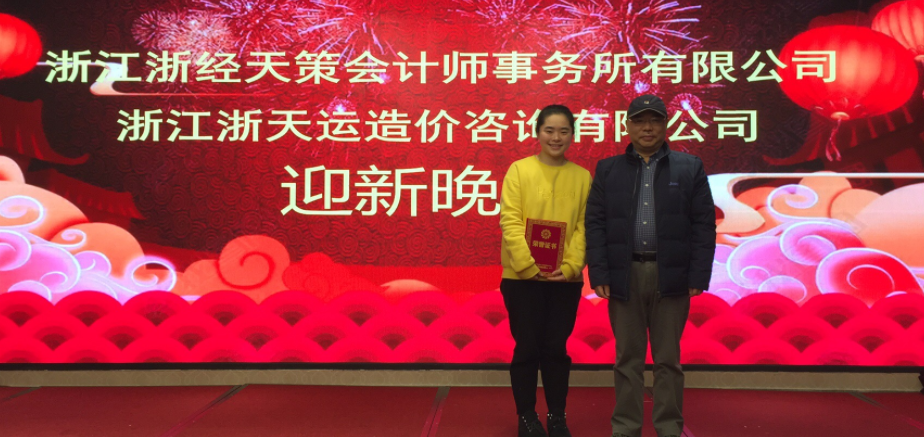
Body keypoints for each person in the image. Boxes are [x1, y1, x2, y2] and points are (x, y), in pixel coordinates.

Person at [584, 95, 716, 437]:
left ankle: (669, 427)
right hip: (624, 274)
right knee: (627, 359)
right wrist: (599, 273)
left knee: (668, 360)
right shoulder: (608, 169)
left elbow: (704, 225)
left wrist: (698, 274)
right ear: (627, 125)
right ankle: (625, 428)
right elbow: (595, 223)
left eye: (655, 120)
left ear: (665, 125)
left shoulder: (689, 167)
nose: (647, 128)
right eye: (640, 121)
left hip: (671, 275)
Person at [499, 104, 593, 437]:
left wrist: (570, 267)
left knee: (555, 349)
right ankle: (527, 416)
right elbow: (510, 221)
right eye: (549, 130)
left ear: (572, 135)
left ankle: (557, 416)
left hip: (564, 281)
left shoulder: (582, 177)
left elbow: (584, 226)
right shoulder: (519, 170)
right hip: (521, 279)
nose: (556, 137)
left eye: (563, 131)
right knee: (526, 348)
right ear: (537, 132)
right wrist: (528, 266)